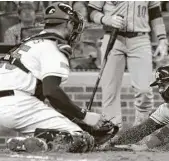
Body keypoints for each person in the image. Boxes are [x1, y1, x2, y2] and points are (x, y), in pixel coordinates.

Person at [0, 2, 116, 153]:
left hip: (13, 103)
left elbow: (48, 97)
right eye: (73, 25)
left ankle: (36, 142)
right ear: (68, 24)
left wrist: (78, 118)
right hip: (20, 106)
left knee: (61, 132)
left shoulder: (29, 42)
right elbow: (52, 91)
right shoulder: (53, 46)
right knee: (81, 139)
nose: (75, 30)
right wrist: (85, 116)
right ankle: (31, 144)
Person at [88, 1, 169, 128]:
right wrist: (106, 19)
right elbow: (91, 11)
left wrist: (162, 38)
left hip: (140, 39)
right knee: (110, 91)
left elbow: (155, 14)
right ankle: (111, 131)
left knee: (144, 89)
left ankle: (140, 131)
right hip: (113, 38)